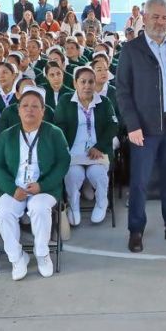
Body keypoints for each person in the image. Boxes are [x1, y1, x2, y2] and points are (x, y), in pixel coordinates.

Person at [115, 0, 166, 252]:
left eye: (164, 17)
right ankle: (136, 229)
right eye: (155, 17)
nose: (160, 22)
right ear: (145, 18)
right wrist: (132, 125)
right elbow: (122, 91)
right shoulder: (131, 49)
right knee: (140, 181)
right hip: (144, 128)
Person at [0, 87, 70, 280]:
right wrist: (12, 189)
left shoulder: (54, 133)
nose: (29, 110)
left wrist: (42, 186)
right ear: (18, 110)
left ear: (43, 111)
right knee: (5, 212)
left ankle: (42, 254)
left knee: (39, 208)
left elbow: (63, 162)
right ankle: (17, 257)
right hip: (15, 188)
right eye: (25, 106)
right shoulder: (7, 135)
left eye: (35, 106)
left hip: (43, 188)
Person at [55, 66, 118, 226]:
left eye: (91, 82)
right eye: (83, 82)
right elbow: (59, 126)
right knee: (73, 175)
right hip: (73, 152)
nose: (87, 86)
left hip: (97, 152)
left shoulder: (104, 102)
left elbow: (113, 126)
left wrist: (100, 146)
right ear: (75, 83)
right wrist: (65, 150)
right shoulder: (65, 101)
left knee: (97, 174)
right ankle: (73, 206)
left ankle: (102, 203)